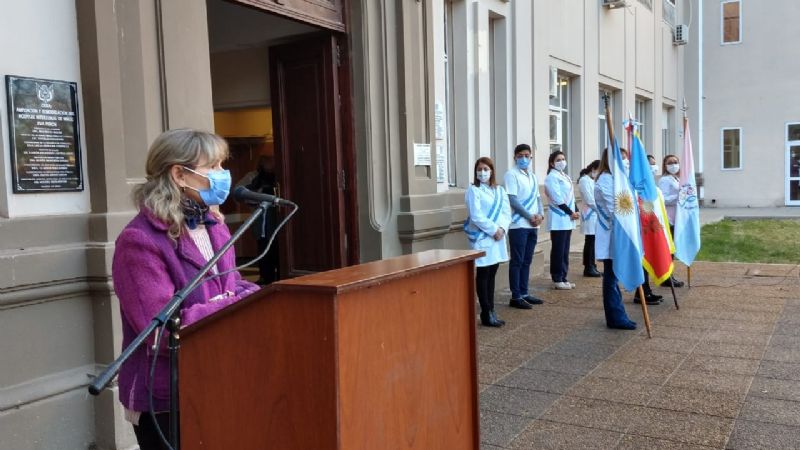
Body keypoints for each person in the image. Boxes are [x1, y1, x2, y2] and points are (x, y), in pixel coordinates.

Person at [112, 129, 260, 449]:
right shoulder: (139, 241)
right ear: (179, 174)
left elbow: (235, 285)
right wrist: (232, 303)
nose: (223, 176)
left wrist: (245, 296)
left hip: (217, 378)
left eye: (223, 165)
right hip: (167, 395)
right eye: (214, 167)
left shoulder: (215, 226)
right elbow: (162, 331)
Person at [464, 157, 512, 327]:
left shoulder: (499, 190)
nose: (482, 172)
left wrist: (502, 229)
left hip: (498, 238)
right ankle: (485, 311)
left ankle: (492, 310)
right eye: (479, 169)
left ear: (491, 171)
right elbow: (476, 215)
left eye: (485, 169)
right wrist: (494, 230)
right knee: (483, 274)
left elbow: (507, 213)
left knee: (493, 273)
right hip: (483, 237)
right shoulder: (473, 190)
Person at [594, 147, 637, 330]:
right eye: (621, 158)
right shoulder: (606, 179)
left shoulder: (621, 180)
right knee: (611, 276)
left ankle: (618, 313)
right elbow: (616, 208)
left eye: (626, 158)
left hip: (623, 232)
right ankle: (615, 316)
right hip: (613, 233)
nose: (625, 162)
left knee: (615, 274)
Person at [504, 143, 545, 309]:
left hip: (533, 224)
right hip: (518, 224)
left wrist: (541, 215)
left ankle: (524, 292)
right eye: (520, 156)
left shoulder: (532, 176)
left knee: (527, 260)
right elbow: (512, 200)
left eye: (526, 155)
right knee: (517, 260)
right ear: (515, 157)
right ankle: (516, 296)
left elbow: (538, 198)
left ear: (530, 157)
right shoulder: (511, 175)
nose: (523, 158)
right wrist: (530, 216)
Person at [236, 154, 280, 284]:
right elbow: (238, 192)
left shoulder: (280, 174)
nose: (272, 164)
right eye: (269, 162)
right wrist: (258, 195)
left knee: (280, 248)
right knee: (265, 248)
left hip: (279, 217)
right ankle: (266, 277)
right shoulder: (252, 176)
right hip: (262, 219)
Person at [544, 151, 580, 290]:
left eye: (563, 159)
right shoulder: (551, 177)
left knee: (565, 250)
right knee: (558, 249)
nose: (562, 162)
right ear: (552, 163)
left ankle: (564, 277)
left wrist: (575, 210)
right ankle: (557, 277)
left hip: (567, 217)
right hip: (559, 217)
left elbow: (570, 196)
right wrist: (570, 212)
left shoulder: (564, 175)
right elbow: (557, 197)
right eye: (558, 160)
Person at [658, 154, 685, 288]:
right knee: (668, 249)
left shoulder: (676, 178)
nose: (674, 165)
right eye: (670, 162)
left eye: (675, 162)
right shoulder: (665, 180)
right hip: (668, 219)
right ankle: (666, 276)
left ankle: (670, 274)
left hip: (676, 218)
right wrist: (678, 196)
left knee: (672, 250)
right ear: (665, 165)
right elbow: (664, 199)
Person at [578, 160, 602, 277]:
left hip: (595, 214)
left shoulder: (593, 180)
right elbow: (589, 199)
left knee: (593, 241)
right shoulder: (584, 180)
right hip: (589, 214)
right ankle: (588, 267)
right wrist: (600, 210)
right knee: (590, 241)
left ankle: (593, 265)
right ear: (593, 169)